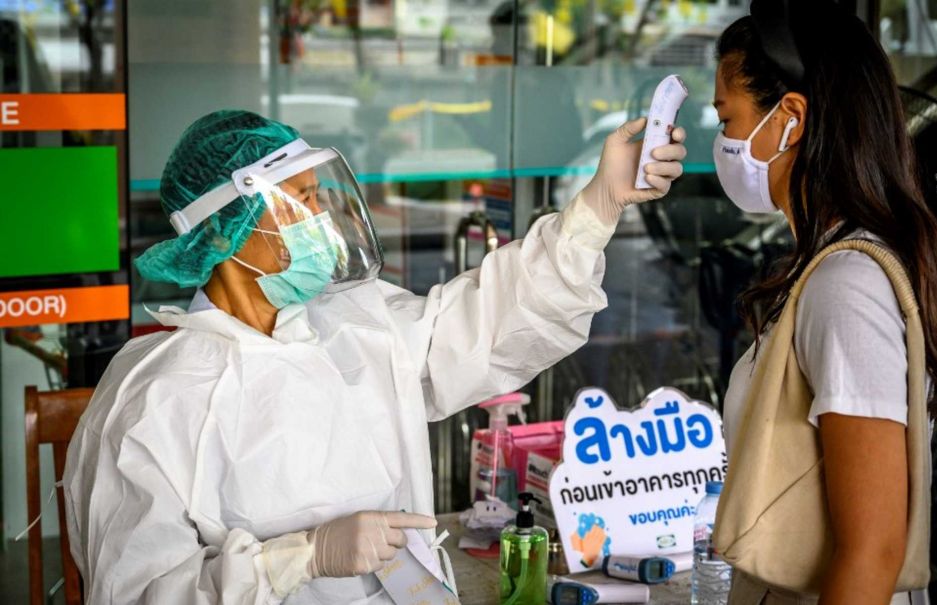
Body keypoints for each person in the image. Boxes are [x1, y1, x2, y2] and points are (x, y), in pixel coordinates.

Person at [64, 109, 686, 604]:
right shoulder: (157, 400)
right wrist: (300, 557)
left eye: (317, 197)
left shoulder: (354, 322)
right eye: (298, 203)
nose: (321, 223)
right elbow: (138, 592)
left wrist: (596, 209)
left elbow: (486, 325)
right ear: (223, 233)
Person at [710, 1, 937, 604]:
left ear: (790, 118)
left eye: (727, 119)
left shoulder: (846, 284)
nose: (722, 140)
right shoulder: (823, 267)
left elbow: (872, 551)